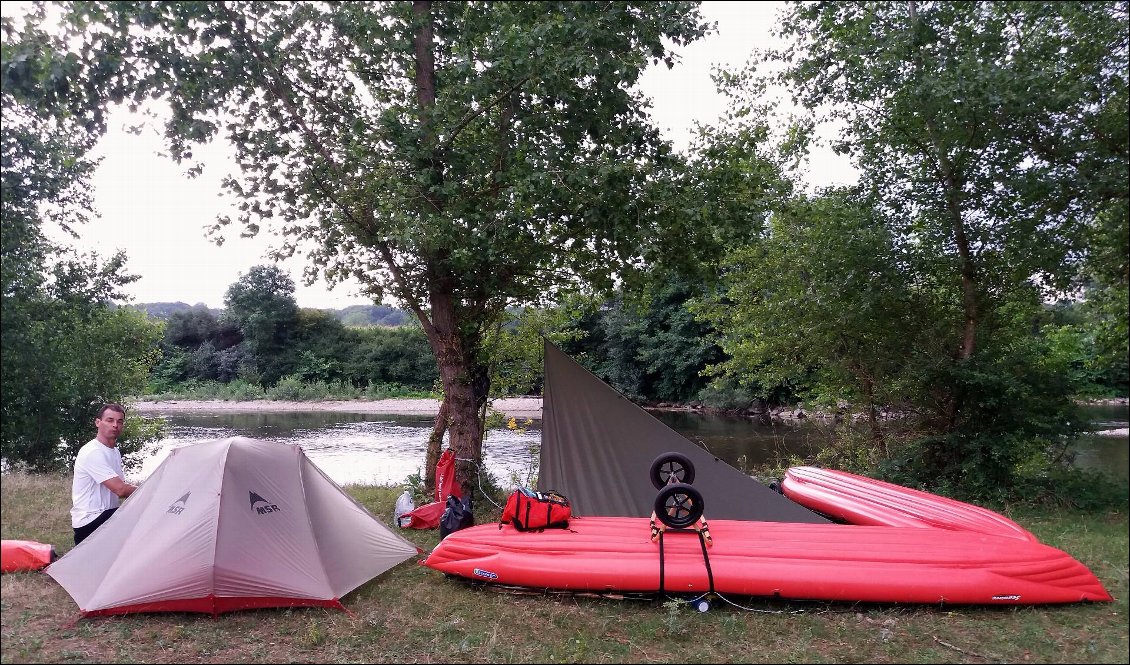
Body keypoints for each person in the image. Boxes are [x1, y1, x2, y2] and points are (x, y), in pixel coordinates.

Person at [71, 403, 137, 545]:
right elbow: (120, 489)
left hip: (107, 514)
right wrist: (151, 489)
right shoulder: (93, 452)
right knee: (142, 517)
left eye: (119, 422)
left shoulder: (114, 451)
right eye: (110, 420)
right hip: (90, 522)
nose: (115, 425)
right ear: (98, 422)